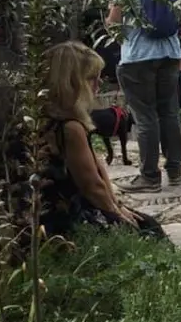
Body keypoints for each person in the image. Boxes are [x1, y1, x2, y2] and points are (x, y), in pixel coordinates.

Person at [36, 41, 165, 238]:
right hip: (66, 219)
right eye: (91, 78)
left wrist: (117, 204)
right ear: (71, 83)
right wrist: (117, 214)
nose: (99, 83)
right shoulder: (69, 128)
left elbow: (97, 170)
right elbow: (92, 186)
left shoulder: (50, 120)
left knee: (143, 222)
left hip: (54, 212)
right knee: (148, 229)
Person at [105, 0, 181, 193]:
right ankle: (174, 170)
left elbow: (115, 17)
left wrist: (110, 29)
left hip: (138, 55)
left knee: (145, 117)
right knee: (168, 112)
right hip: (169, 51)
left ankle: (149, 177)